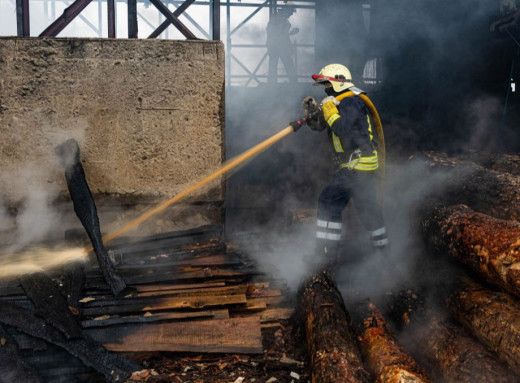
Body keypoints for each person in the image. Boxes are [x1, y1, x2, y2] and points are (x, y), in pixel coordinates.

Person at [301, 63, 389, 266]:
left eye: (327, 85)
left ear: (337, 83)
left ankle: (325, 255)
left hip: (358, 165)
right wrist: (315, 112)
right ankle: (383, 253)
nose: (325, 89)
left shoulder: (351, 102)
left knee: (328, 201)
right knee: (369, 210)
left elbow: (341, 128)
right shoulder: (341, 102)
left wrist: (330, 107)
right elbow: (322, 126)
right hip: (360, 165)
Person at [266, 5, 299, 83]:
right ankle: (293, 83)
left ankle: (271, 84)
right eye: (290, 13)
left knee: (274, 65)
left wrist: (289, 34)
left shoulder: (278, 18)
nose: (291, 15)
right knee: (288, 65)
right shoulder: (279, 19)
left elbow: (280, 33)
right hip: (279, 47)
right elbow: (278, 34)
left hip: (276, 46)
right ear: (286, 11)